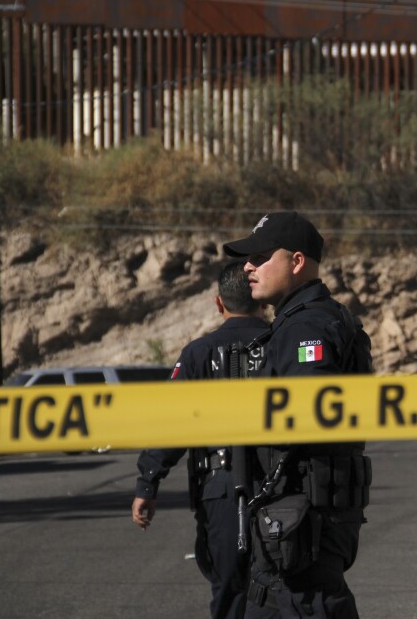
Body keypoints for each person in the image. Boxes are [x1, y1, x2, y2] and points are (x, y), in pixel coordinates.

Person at [223, 210, 373, 619]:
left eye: (260, 257)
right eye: (247, 259)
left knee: (307, 603)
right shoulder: (302, 321)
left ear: (297, 261)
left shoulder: (308, 327)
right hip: (296, 512)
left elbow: (305, 414)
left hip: (304, 515)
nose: (248, 267)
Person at [131, 258, 269, 619]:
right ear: (263, 300)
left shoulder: (199, 354)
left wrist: (147, 485)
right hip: (281, 486)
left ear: (218, 302)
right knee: (279, 586)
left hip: (219, 488)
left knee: (228, 589)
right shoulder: (283, 345)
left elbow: (171, 426)